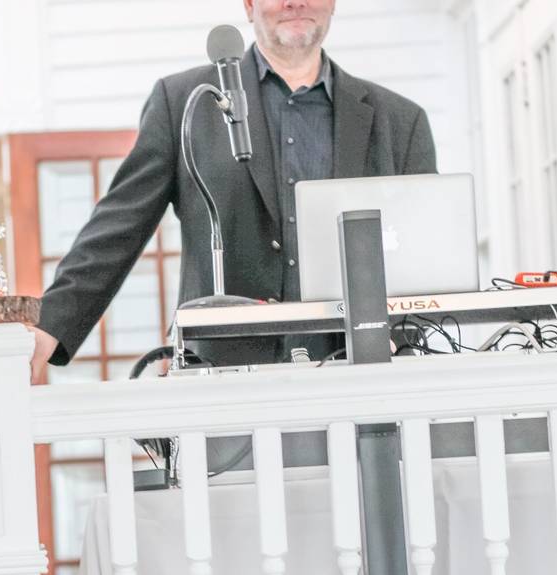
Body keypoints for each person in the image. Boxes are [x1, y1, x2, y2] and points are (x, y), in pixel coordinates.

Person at [30, 0, 437, 384]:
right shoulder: (183, 103)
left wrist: (401, 344)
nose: (295, 3)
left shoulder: (400, 122)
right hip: (221, 376)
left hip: (359, 376)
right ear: (248, 4)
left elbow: (423, 261)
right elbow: (119, 224)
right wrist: (51, 325)